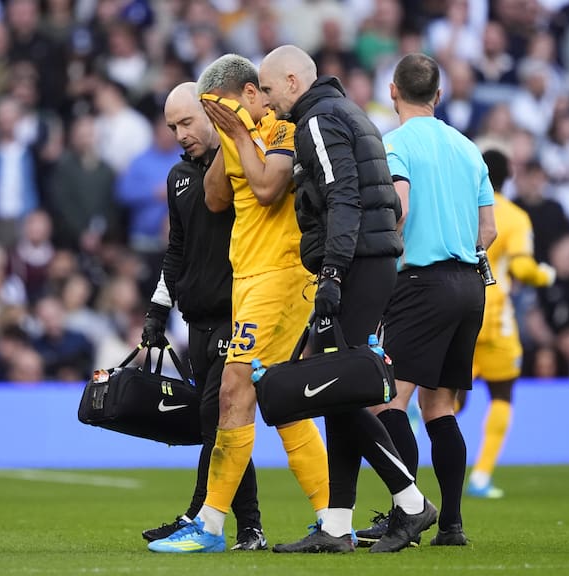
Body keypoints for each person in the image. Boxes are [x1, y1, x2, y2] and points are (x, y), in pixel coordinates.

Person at [256, 45, 437, 554]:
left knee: (337, 390)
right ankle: (337, 525)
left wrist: (333, 273)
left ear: (293, 81)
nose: (267, 103)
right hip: (372, 258)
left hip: (356, 262)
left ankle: (409, 500)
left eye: (269, 90)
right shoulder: (346, 111)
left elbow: (343, 198)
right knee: (338, 393)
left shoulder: (316, 121)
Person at [147, 54, 330, 554]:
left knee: (234, 390)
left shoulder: (284, 132)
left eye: (221, 109)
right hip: (249, 278)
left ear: (252, 94)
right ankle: (331, 518)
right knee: (285, 405)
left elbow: (269, 189)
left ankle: (209, 524)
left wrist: (242, 135)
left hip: (279, 277)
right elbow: (215, 200)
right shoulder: (237, 138)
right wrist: (225, 137)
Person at [362, 52, 497, 547]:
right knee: (440, 406)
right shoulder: (468, 149)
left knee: (387, 402)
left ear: (393, 91)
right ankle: (454, 526)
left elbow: (398, 208)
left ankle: (409, 512)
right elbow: (489, 230)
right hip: (470, 285)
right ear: (438, 96)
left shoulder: (392, 144)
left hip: (420, 284)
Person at [139, 82, 266, 551]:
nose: (179, 134)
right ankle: (229, 523)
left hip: (238, 314)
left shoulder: (244, 167)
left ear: (212, 114)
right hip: (197, 320)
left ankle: (218, 520)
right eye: (172, 126)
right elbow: (177, 250)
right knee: (215, 423)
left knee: (219, 417)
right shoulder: (177, 178)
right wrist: (158, 309)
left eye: (187, 122)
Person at [456, 148, 557, 499]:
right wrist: (546, 275)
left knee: (448, 398)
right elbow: (523, 269)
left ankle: (429, 468)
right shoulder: (514, 216)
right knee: (502, 394)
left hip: (459, 311)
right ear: (508, 177)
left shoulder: (461, 208)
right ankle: (481, 476)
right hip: (496, 317)